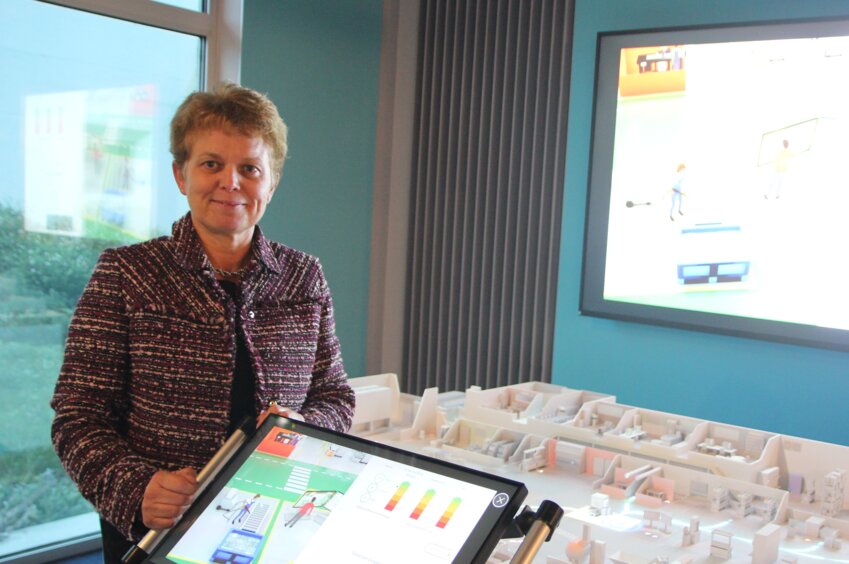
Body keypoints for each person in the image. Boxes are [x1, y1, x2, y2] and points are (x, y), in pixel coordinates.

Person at [50, 82, 355, 563]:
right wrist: (137, 488)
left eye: (250, 168)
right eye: (211, 163)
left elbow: (335, 397)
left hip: (274, 521)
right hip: (157, 530)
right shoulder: (127, 273)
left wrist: (304, 427)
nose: (230, 182)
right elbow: (78, 416)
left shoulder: (303, 276)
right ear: (180, 175)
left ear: (271, 183)